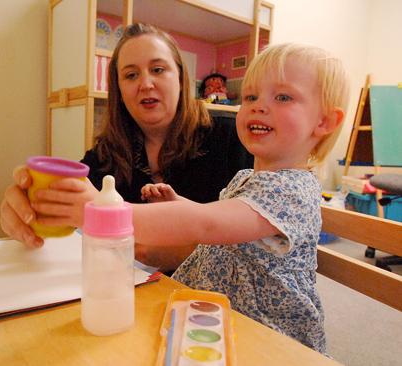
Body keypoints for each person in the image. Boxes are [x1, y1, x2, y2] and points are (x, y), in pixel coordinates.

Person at [57, 43, 349, 353]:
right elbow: (221, 221)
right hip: (219, 318)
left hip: (269, 338)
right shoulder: (247, 178)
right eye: (251, 96)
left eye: (283, 97)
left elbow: (207, 225)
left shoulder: (292, 191)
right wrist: (180, 204)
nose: (258, 106)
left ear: (324, 122)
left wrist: (101, 213)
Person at [0, 23, 252, 271]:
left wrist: (179, 252)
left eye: (158, 69)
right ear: (119, 89)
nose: (146, 83)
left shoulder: (233, 138)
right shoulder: (106, 154)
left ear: (182, 79)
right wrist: (30, 207)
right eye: (131, 75)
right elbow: (67, 207)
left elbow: (264, 246)